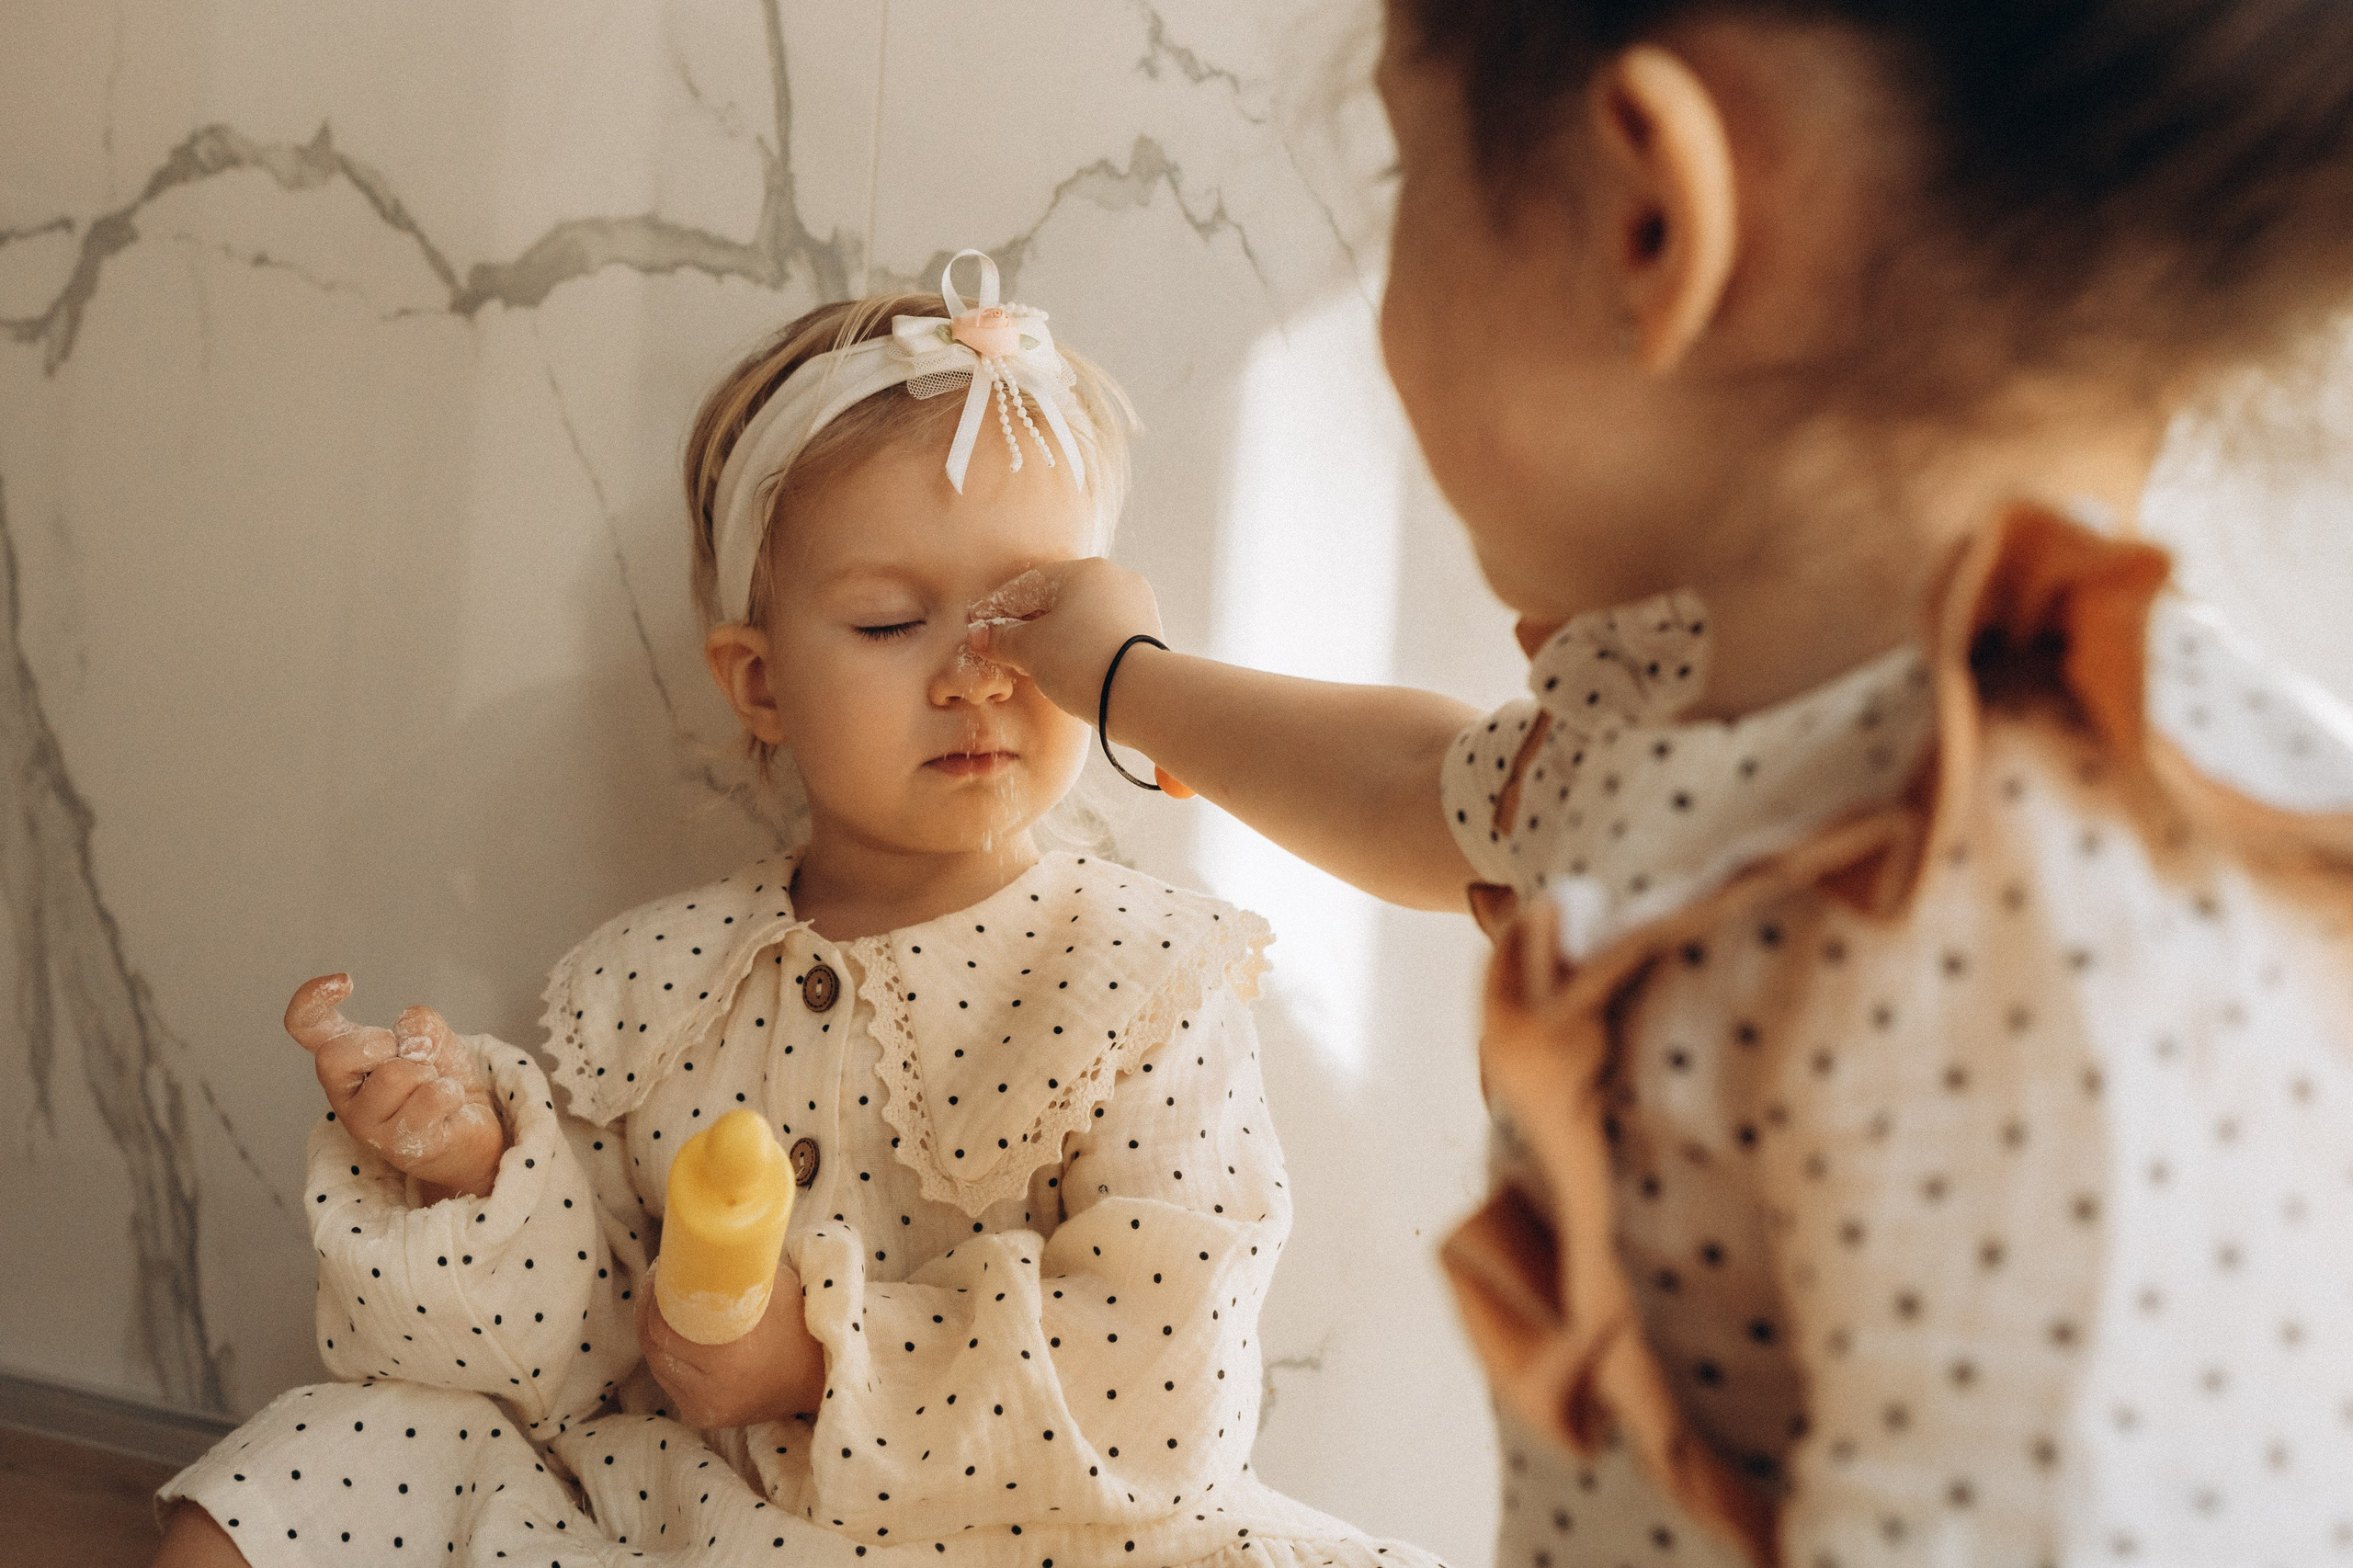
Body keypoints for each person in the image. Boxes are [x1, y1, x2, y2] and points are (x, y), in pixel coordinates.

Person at [967, 6, 2353, 1563]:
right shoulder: (1693, 696)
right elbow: (1433, 789)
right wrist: (1123, 677)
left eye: (1406, 170)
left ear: (1653, 221)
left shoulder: (2058, 965)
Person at [152, 252, 1446, 1568]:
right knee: (315, 1466)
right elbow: (565, 1365)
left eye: (1032, 621)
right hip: (683, 1522)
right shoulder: (651, 981)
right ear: (760, 685)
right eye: (888, 623)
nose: (977, 678)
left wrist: (820, 1355)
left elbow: (1165, 1380)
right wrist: (478, 1170)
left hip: (1025, 1541)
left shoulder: (1138, 976)